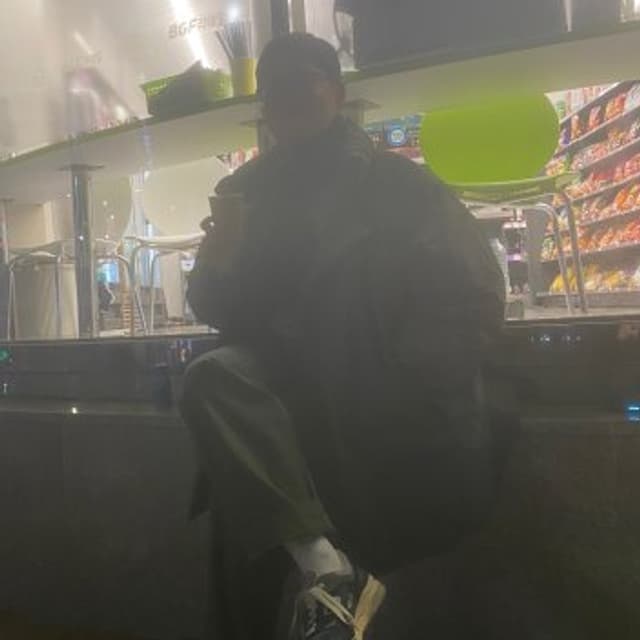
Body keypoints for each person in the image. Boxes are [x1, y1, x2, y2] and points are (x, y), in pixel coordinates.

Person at [181, 33, 505, 640]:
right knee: (212, 386)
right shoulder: (245, 192)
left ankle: (326, 573)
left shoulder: (398, 186)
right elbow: (212, 306)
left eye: (301, 85)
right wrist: (219, 259)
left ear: (336, 92)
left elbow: (472, 299)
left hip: (371, 401)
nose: (286, 103)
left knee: (256, 505)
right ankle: (326, 567)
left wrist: (401, 389)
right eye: (272, 93)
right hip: (276, 398)